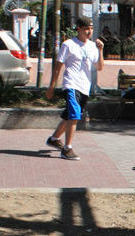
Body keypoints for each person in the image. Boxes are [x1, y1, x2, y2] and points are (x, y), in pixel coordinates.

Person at [45, 16, 104, 161]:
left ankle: (53, 139)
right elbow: (58, 67)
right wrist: (52, 86)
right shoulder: (68, 45)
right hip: (71, 84)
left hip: (85, 87)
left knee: (69, 116)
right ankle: (67, 148)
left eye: (91, 29)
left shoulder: (92, 46)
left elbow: (99, 67)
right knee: (75, 115)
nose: (89, 32)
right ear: (78, 28)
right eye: (86, 29)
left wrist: (101, 50)